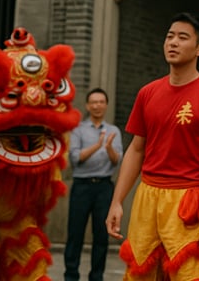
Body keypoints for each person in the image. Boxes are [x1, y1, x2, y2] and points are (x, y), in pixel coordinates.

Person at [105, 12, 199, 280]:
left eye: (182, 37)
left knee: (191, 274)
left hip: (189, 201)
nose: (173, 42)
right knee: (139, 272)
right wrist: (117, 201)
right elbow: (136, 149)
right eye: (169, 36)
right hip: (147, 197)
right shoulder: (148, 93)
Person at [64, 87, 124, 281]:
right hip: (82, 187)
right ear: (88, 106)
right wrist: (97, 146)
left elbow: (117, 161)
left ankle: (96, 277)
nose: (97, 105)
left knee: (101, 236)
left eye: (101, 102)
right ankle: (71, 276)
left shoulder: (113, 131)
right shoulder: (78, 130)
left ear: (106, 105)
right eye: (94, 102)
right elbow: (75, 158)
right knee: (75, 234)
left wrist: (108, 149)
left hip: (104, 188)